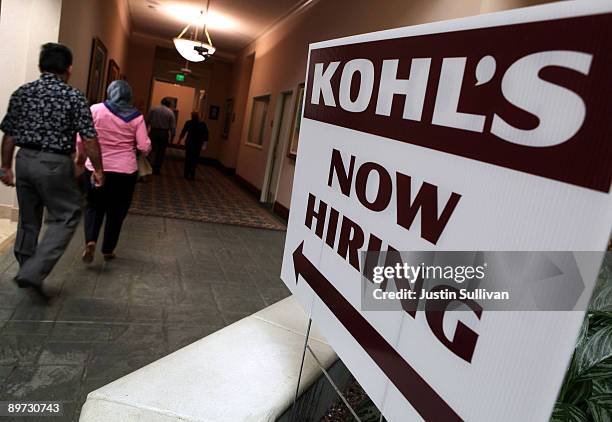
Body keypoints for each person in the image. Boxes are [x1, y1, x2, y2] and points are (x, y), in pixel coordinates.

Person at [0, 43, 104, 301]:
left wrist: (5, 166)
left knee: (28, 219)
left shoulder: (22, 93)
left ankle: (26, 268)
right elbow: (89, 139)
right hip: (55, 163)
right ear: (69, 69)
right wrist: (98, 169)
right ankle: (33, 272)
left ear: (40, 66)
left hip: (24, 159)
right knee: (67, 215)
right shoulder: (74, 97)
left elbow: (9, 135)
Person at [77, 80, 151, 263]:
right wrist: (143, 148)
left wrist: (81, 157)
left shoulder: (95, 110)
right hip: (125, 171)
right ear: (129, 96)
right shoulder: (136, 117)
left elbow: (81, 137)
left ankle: (91, 241)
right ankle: (108, 249)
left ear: (110, 92)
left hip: (96, 167)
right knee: (117, 210)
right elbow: (144, 146)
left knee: (94, 205)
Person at [146, 98, 175, 175]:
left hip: (154, 131)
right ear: (169, 104)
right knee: (161, 152)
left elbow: (147, 120)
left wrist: (145, 131)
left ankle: (147, 166)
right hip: (164, 133)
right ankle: (157, 168)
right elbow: (172, 126)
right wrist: (172, 136)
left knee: (151, 150)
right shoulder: (170, 112)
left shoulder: (153, 109)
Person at [179, 112, 209, 180]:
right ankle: (192, 174)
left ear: (192, 116)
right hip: (197, 144)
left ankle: (186, 174)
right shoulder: (202, 124)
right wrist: (204, 144)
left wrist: (179, 140)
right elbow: (206, 135)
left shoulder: (188, 122)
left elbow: (183, 131)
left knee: (188, 158)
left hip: (189, 143)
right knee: (194, 159)